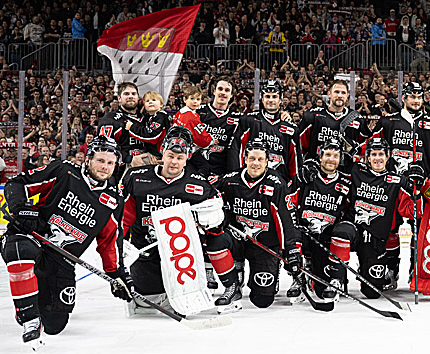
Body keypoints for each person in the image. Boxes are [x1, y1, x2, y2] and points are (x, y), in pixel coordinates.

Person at [0, 136, 130, 348]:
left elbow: (110, 241)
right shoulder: (64, 171)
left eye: (110, 163)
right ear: (88, 159)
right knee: (19, 248)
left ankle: (35, 293)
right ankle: (29, 318)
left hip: (62, 260)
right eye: (100, 160)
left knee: (54, 324)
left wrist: (117, 275)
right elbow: (18, 183)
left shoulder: (113, 200)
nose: (105, 167)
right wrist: (21, 208)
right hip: (35, 240)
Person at [121, 126, 241, 311]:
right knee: (148, 302)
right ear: (163, 153)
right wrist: (120, 242)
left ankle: (231, 284)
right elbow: (125, 216)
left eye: (179, 158)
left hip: (182, 253)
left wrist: (212, 221)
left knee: (219, 238)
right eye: (170, 156)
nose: (174, 162)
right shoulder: (136, 178)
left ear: (187, 158)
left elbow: (217, 222)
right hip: (146, 247)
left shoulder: (199, 185)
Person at [215, 140, 300, 309]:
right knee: (218, 239)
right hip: (239, 237)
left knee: (262, 301)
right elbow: (211, 197)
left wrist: (290, 249)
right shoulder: (230, 181)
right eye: (252, 158)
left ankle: (271, 273)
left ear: (267, 161)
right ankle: (233, 285)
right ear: (244, 159)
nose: (255, 163)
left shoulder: (276, 184)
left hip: (265, 243)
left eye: (260, 159)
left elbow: (285, 220)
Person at [337, 138, 415, 297]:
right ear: (367, 157)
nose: (377, 158)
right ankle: (337, 278)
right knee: (340, 233)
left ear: (387, 157)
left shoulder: (397, 180)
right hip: (354, 228)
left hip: (375, 237)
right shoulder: (356, 170)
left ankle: (366, 268)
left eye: (381, 154)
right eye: (373, 154)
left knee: (372, 293)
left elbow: (412, 211)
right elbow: (330, 170)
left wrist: (417, 188)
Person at [286, 140, 354, 301]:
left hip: (326, 238)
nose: (331, 159)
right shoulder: (306, 176)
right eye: (328, 155)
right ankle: (298, 277)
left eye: (335, 156)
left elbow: (349, 211)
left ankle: (335, 278)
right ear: (320, 156)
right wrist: (294, 224)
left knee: (321, 290)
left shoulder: (346, 183)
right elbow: (288, 201)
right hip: (304, 233)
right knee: (289, 235)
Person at [368, 81, 430, 177]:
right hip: (392, 182)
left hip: (422, 182)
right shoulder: (387, 122)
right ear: (403, 98)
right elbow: (370, 146)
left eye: (419, 98)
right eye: (412, 97)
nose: (416, 101)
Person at [226, 79, 300, 182]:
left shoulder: (291, 129)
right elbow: (236, 149)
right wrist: (237, 177)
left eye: (274, 97)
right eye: (267, 96)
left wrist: (292, 186)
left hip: (279, 184)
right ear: (262, 99)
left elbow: (295, 163)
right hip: (250, 182)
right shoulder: (249, 121)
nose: (271, 100)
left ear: (280, 100)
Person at [298, 78, 372, 173]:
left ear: (347, 95)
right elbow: (298, 144)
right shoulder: (313, 116)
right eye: (336, 92)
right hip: (316, 171)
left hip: (345, 173)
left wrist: (356, 149)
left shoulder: (356, 119)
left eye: (343, 93)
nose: (340, 96)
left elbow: (369, 143)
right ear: (329, 93)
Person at [191, 79, 242, 181]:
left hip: (221, 172)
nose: (223, 93)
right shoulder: (196, 112)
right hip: (194, 167)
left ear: (231, 95)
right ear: (214, 91)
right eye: (220, 89)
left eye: (227, 90)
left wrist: (282, 115)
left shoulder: (237, 118)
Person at [97, 81, 150, 174]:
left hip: (147, 168)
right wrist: (128, 158)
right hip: (120, 171)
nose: (130, 96)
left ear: (138, 97)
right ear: (119, 98)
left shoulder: (147, 119)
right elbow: (103, 147)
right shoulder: (110, 120)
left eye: (133, 94)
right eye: (126, 94)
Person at [123, 90, 168, 167]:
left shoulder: (161, 117)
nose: (150, 102)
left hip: (158, 155)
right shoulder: (148, 116)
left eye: (154, 100)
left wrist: (132, 127)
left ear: (161, 104)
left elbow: (152, 136)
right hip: (151, 152)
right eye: (147, 101)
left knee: (133, 165)